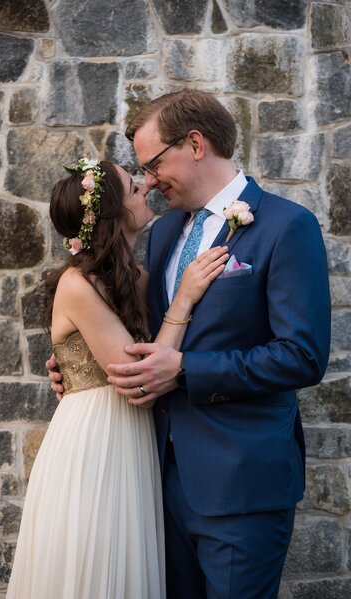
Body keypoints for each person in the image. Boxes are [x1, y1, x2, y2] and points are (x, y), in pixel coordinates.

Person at [102, 89, 332, 598]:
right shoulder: (163, 235)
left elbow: (303, 355)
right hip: (158, 481)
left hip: (241, 485)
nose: (149, 181)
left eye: (154, 163)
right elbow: (147, 336)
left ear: (196, 143)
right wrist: (84, 368)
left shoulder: (286, 226)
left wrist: (185, 370)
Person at [7, 156, 229, 599]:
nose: (145, 188)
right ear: (112, 214)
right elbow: (137, 377)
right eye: (132, 189)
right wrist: (184, 298)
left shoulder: (139, 278)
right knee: (93, 561)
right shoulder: (77, 284)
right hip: (93, 442)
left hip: (134, 439)